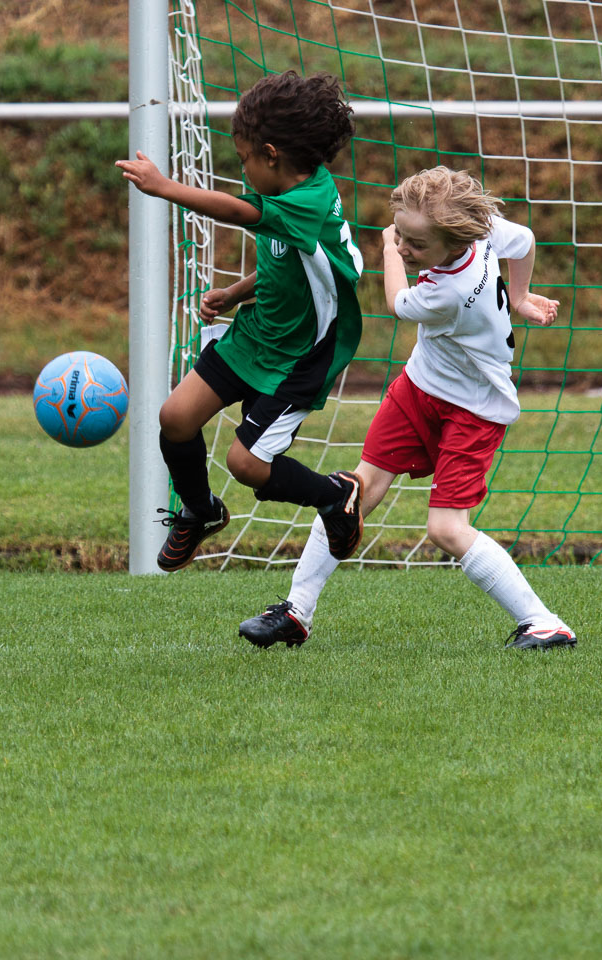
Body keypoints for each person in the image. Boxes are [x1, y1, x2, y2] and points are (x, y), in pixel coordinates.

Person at [239, 166, 576, 651]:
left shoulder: (449, 291)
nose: (405, 248)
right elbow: (521, 241)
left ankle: (545, 622)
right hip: (419, 388)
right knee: (352, 493)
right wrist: (519, 297)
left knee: (444, 529)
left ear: (455, 239)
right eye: (403, 235)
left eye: (416, 244)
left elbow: (396, 302)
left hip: (475, 409)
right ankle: (296, 611)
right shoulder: (482, 234)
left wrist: (384, 245)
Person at [116, 71, 365, 571]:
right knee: (176, 418)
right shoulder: (290, 197)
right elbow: (291, 262)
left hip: (300, 355)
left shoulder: (307, 200)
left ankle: (335, 497)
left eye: (244, 159)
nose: (243, 170)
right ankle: (200, 511)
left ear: (271, 154)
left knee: (247, 464)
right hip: (258, 333)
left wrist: (165, 188)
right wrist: (235, 292)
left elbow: (238, 212)